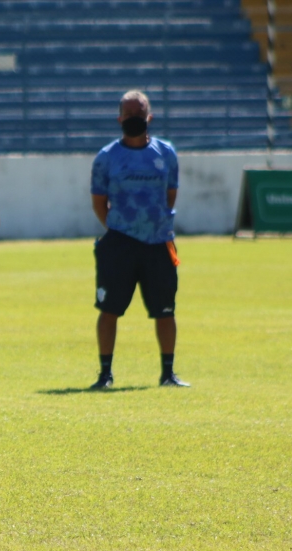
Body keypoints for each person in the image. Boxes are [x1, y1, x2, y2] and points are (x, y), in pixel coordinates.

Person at [89, 90, 189, 390]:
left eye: (139, 114)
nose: (134, 119)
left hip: (159, 243)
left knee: (166, 310)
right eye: (129, 115)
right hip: (119, 244)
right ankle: (105, 374)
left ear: (150, 117)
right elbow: (99, 202)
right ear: (120, 118)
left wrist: (155, 224)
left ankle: (168, 373)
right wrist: (118, 229)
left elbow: (170, 194)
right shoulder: (106, 158)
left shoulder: (166, 153)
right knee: (109, 310)